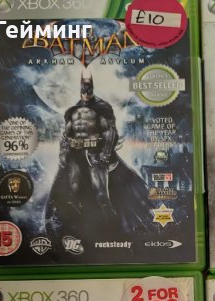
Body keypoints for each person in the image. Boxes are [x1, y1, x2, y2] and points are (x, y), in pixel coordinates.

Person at [46, 72, 151, 245]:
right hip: (75, 156)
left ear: (93, 87)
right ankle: (80, 231)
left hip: (95, 155)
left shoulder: (102, 107)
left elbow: (110, 132)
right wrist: (63, 154)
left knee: (102, 196)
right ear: (80, 88)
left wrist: (106, 154)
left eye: (89, 88)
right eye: (83, 88)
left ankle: (115, 232)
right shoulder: (72, 111)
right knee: (73, 192)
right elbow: (66, 135)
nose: (86, 91)